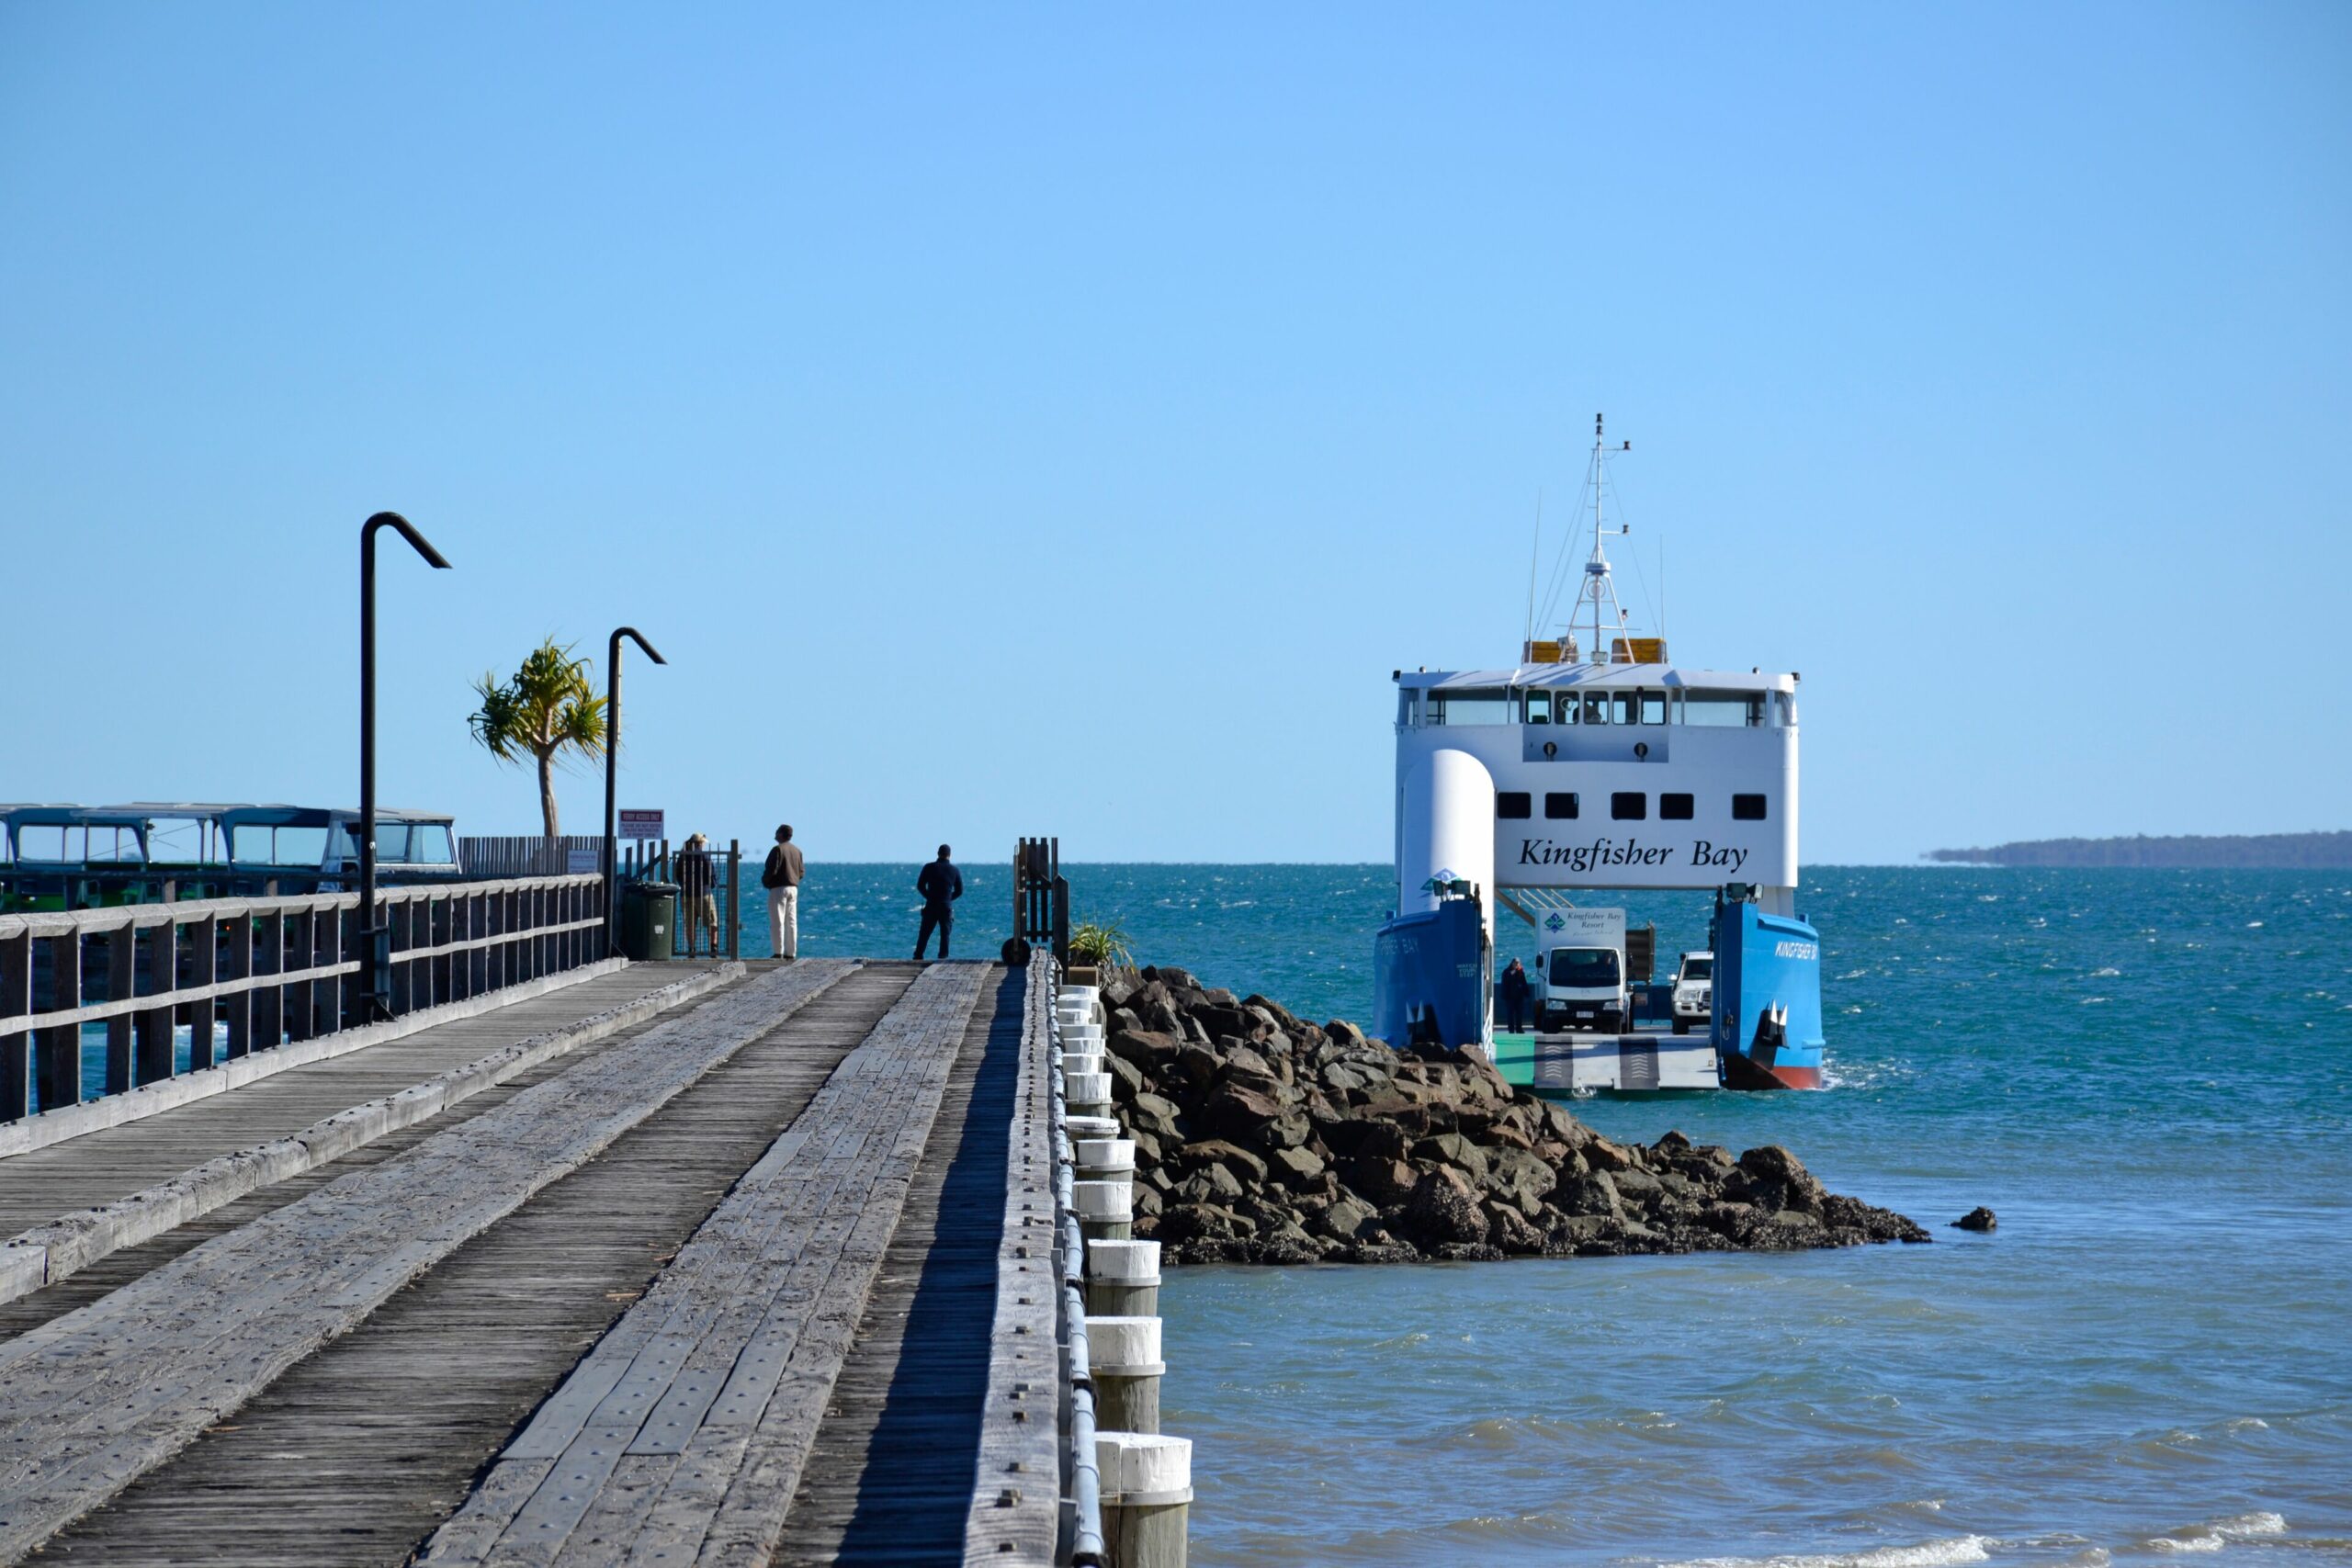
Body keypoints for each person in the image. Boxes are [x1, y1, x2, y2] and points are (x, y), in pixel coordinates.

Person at [912, 843, 962, 961]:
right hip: (945, 906)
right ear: (949, 855)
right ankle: (942, 957)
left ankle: (918, 955)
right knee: (945, 933)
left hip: (931, 905)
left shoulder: (929, 867)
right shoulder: (954, 870)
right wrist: (948, 899)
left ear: (938, 854)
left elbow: (920, 885)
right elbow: (959, 891)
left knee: (924, 933)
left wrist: (928, 897)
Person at [762, 824, 805, 959]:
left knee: (777, 921)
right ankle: (791, 952)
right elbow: (801, 872)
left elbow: (771, 870)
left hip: (778, 888)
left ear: (781, 834)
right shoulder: (797, 851)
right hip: (794, 887)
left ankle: (778, 952)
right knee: (791, 921)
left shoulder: (777, 850)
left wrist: (766, 882)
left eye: (777, 832)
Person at [676, 832, 718, 957]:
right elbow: (711, 875)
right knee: (712, 921)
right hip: (703, 893)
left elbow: (678, 874)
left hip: (686, 894)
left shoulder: (682, 856)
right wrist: (711, 884)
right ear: (700, 843)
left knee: (690, 923)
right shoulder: (705, 856)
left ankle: (692, 949)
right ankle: (713, 948)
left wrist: (685, 886)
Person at [1500, 956, 1531, 1032]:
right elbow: (1505, 982)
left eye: (1518, 963)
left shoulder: (1521, 972)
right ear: (1512, 963)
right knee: (1510, 1014)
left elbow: (1524, 982)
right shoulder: (1507, 972)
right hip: (1510, 997)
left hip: (1519, 997)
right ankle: (1511, 1029)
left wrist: (1526, 991)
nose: (1516, 964)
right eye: (1515, 963)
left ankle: (1519, 1028)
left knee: (1519, 1014)